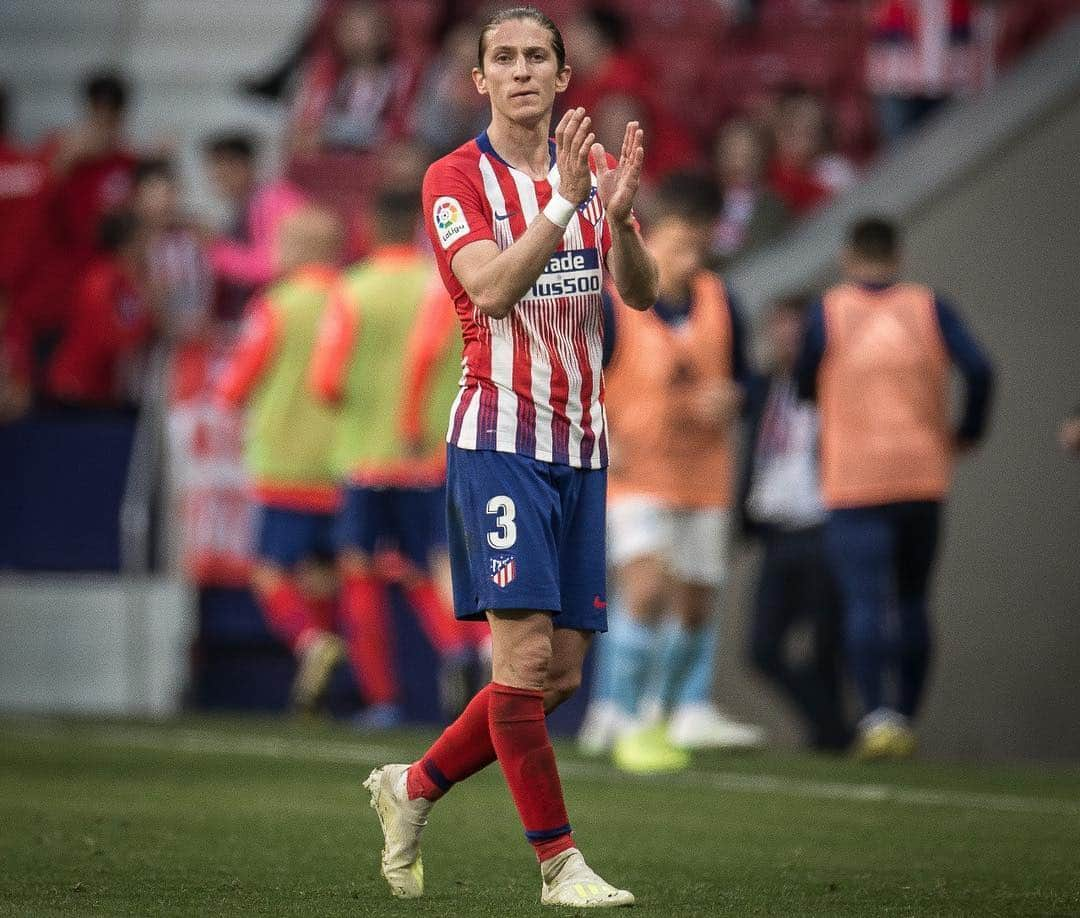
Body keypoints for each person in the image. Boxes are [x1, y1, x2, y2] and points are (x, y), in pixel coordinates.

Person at [362, 6, 658, 909]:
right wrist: (568, 201)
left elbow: (640, 297)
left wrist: (625, 218)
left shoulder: (592, 166)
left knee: (558, 676)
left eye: (538, 56)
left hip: (583, 444)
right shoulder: (455, 176)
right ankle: (560, 865)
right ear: (480, 80)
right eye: (504, 57)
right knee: (522, 660)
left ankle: (411, 787)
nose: (523, 69)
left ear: (565, 77)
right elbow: (488, 290)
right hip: (499, 440)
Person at [578, 173, 763, 774]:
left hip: (704, 474)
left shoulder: (720, 299)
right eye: (678, 244)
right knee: (647, 589)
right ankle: (624, 715)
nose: (687, 259)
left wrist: (732, 398)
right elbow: (579, 381)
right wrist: (601, 435)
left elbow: (746, 381)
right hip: (637, 472)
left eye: (697, 246)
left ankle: (656, 710)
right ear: (650, 234)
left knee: (693, 609)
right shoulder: (612, 301)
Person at [796, 217, 994, 760]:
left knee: (864, 598)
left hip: (854, 477)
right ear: (898, 255)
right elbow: (979, 369)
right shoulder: (930, 307)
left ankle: (876, 715)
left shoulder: (830, 309)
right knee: (910, 598)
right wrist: (968, 431)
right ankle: (905, 716)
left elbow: (802, 378)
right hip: (921, 473)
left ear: (847, 255)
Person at [309, 187, 486, 728]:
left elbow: (326, 380)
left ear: (367, 228)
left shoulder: (351, 289)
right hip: (430, 458)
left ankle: (382, 700)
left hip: (367, 457)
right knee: (422, 568)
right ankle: (461, 649)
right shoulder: (440, 287)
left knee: (361, 572)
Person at [216, 206, 348, 712]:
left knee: (272, 572)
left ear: (296, 249)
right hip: (343, 465)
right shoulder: (349, 297)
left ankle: (310, 644)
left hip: (286, 465)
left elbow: (232, 388)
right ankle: (329, 683)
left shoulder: (275, 306)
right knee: (324, 576)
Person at [739, 297, 849, 752]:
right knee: (762, 649)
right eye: (777, 329)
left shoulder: (835, 385)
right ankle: (837, 730)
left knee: (827, 648)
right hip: (776, 534)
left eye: (796, 330)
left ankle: (830, 738)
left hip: (825, 529)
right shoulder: (763, 386)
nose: (786, 339)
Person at [45, 212, 153, 409]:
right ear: (127, 243)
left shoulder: (129, 282)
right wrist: (150, 310)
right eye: (144, 238)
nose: (148, 245)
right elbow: (107, 337)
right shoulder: (99, 281)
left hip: (104, 388)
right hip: (77, 388)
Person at [287, 0, 417, 156]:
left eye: (360, 29)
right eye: (348, 29)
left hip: (378, 155)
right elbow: (307, 124)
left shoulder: (401, 75)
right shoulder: (323, 73)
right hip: (329, 154)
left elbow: (402, 128)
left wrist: (337, 133)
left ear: (384, 34)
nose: (352, 36)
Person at [201, 131, 307, 322]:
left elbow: (273, 265)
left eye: (226, 166)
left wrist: (214, 249)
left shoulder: (275, 200)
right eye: (215, 168)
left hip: (285, 315)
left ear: (245, 165)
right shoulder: (244, 206)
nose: (219, 176)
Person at [708, 117, 789, 271]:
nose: (742, 162)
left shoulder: (772, 208)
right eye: (734, 153)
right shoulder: (701, 198)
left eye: (750, 153)